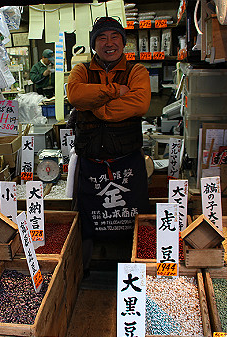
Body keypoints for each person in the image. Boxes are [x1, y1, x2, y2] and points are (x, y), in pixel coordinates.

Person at [67, 17, 151, 277]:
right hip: (91, 164)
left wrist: (98, 107)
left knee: (133, 219)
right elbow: (76, 95)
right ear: (94, 44)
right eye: (102, 38)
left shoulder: (137, 71)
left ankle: (135, 269)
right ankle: (84, 272)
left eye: (115, 37)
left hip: (127, 161)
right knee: (86, 222)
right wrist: (115, 90)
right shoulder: (81, 70)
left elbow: (139, 104)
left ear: (123, 42)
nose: (109, 43)